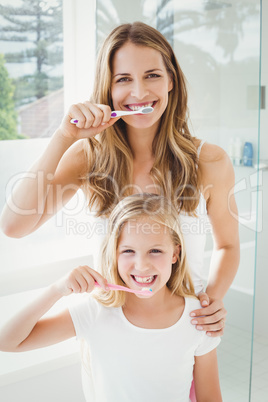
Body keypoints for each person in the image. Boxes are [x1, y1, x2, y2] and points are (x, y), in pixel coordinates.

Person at [0, 21, 240, 336]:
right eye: (123, 79)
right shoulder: (88, 158)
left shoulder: (210, 161)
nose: (139, 92)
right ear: (108, 90)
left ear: (171, 80)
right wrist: (63, 136)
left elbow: (228, 246)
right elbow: (14, 226)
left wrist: (212, 300)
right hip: (108, 333)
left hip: (185, 332)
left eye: (152, 75)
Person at [0, 194, 222, 402]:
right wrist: (56, 290)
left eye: (155, 251)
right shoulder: (95, 312)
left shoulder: (199, 318)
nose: (142, 265)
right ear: (114, 254)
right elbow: (8, 342)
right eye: (128, 251)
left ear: (175, 253)